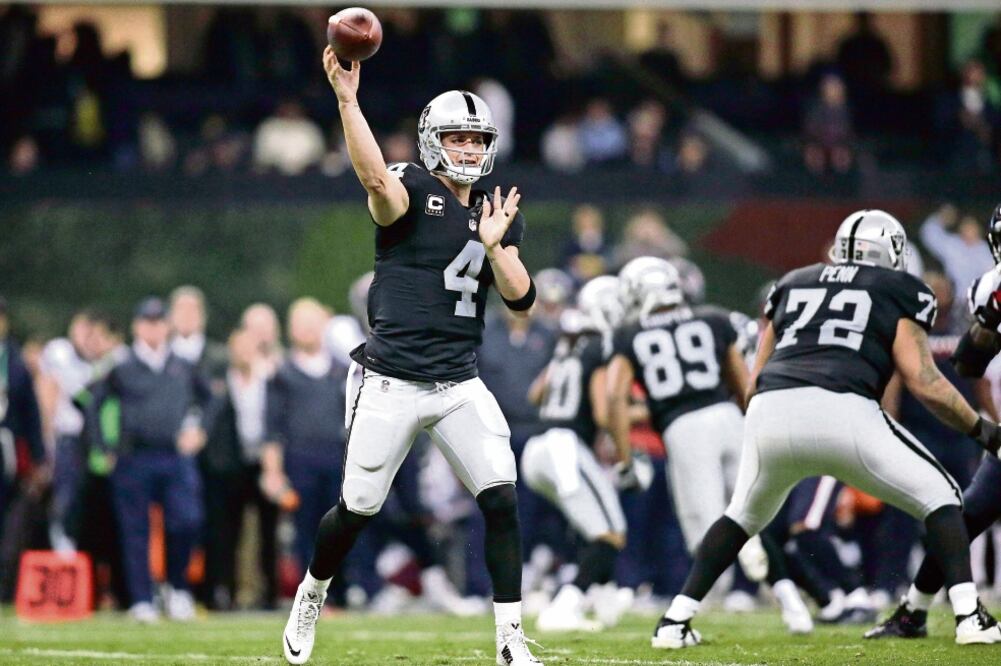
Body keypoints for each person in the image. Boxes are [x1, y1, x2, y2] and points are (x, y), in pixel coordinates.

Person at [281, 48, 541, 666]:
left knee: (501, 495)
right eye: (457, 138)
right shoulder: (409, 189)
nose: (470, 151)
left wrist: (496, 244)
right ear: (430, 140)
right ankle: (313, 591)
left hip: (458, 381)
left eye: (478, 140)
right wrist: (347, 99)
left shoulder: (496, 211)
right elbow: (375, 181)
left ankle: (509, 637)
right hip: (391, 379)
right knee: (358, 508)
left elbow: (522, 299)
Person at [652, 210, 1001, 650]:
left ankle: (673, 622)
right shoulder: (901, 288)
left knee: (741, 515)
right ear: (892, 252)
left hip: (770, 410)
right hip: (844, 406)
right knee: (944, 497)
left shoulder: (793, 281)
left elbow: (756, 376)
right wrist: (982, 430)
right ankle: (969, 615)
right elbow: (924, 380)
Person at [606, 257, 812, 635]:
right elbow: (744, 385)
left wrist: (623, 457)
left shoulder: (630, 333)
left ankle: (680, 620)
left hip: (685, 431)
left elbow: (615, 398)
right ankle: (792, 603)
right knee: (751, 514)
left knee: (711, 535)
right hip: (728, 420)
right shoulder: (715, 318)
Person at [865, 203, 1001, 641]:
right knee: (964, 518)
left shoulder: (992, 288)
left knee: (964, 519)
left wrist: (985, 329)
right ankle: (913, 611)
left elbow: (968, 364)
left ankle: (913, 611)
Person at [87, 297, 215, 623]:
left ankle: (177, 588)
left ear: (167, 325)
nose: (153, 328)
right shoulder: (123, 365)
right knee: (135, 530)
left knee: (186, 520)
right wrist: (104, 447)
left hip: (174, 455)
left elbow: (212, 398)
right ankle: (142, 598)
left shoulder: (182, 363)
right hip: (134, 457)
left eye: (159, 322)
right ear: (136, 326)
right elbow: (93, 403)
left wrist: (200, 431)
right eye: (147, 322)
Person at [522, 276, 635, 633]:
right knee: (610, 533)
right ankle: (563, 607)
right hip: (565, 447)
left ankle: (605, 602)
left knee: (596, 526)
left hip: (539, 446)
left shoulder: (567, 344)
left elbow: (536, 394)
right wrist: (626, 449)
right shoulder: (602, 345)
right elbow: (604, 413)